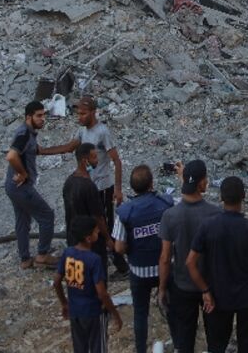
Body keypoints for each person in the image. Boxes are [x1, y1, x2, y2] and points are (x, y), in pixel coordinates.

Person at [186, 177, 248, 353]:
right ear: (243, 196)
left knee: (216, 346)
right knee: (246, 345)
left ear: (221, 198)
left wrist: (205, 291)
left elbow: (190, 263)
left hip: (217, 297)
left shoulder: (208, 226)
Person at [159, 160, 221, 352]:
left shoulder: (170, 216)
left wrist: (162, 289)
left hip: (183, 285)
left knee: (185, 338)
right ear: (201, 183)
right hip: (210, 285)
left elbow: (165, 258)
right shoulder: (215, 213)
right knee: (215, 337)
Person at [62, 96, 128, 275]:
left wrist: (118, 190)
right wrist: (41, 151)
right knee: (93, 224)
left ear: (93, 112)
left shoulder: (102, 132)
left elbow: (117, 161)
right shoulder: (82, 131)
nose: (79, 117)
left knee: (105, 224)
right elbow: (70, 147)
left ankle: (120, 264)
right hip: (89, 188)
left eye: (83, 114)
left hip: (103, 187)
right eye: (78, 114)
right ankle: (101, 258)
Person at [115, 165, 175, 353]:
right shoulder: (165, 204)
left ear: (133, 188)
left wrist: (131, 248)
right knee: (171, 307)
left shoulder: (125, 212)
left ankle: (140, 349)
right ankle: (179, 343)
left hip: (139, 271)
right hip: (165, 268)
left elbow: (118, 247)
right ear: (151, 183)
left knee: (140, 314)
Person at [6, 101, 72, 270]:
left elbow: (39, 150)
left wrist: (67, 148)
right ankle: (42, 255)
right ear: (29, 117)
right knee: (47, 216)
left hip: (12, 187)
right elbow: (11, 156)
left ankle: (25, 259)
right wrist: (23, 173)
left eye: (44, 115)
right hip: (21, 187)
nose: (43, 119)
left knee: (22, 221)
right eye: (39, 116)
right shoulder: (24, 134)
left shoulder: (28, 133)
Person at [54, 215, 124, 353]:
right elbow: (102, 293)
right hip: (93, 312)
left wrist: (64, 303)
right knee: (99, 347)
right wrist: (115, 314)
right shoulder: (94, 260)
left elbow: (56, 281)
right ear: (88, 238)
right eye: (96, 232)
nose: (98, 233)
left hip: (75, 310)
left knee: (80, 348)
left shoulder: (68, 253)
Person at [64, 143, 105, 248]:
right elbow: (98, 217)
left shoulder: (69, 181)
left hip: (73, 239)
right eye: (94, 157)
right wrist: (108, 239)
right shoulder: (89, 186)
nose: (97, 160)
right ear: (85, 161)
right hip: (90, 241)